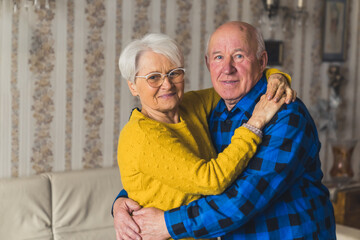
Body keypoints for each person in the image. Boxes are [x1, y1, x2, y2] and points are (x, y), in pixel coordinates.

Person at [114, 21, 336, 240]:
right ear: (208, 63)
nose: (227, 69)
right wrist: (122, 203)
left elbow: (242, 200)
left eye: (239, 56)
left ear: (262, 61)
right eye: (219, 57)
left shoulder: (284, 113)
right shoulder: (214, 110)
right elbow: (168, 173)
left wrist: (167, 224)